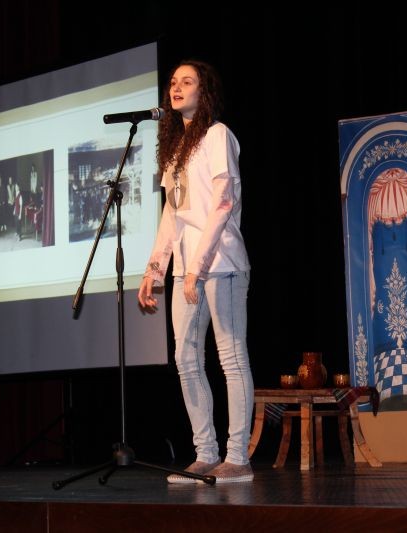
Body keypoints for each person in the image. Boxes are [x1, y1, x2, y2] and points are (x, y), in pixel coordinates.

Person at [138, 60, 253, 484]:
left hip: (221, 264)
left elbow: (224, 202)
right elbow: (173, 214)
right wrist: (154, 270)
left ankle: (237, 457)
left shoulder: (217, 135)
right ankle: (206, 454)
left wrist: (198, 267)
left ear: (204, 93)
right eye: (173, 82)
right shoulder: (175, 149)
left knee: (230, 357)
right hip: (186, 270)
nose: (177, 87)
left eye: (187, 82)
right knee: (185, 359)